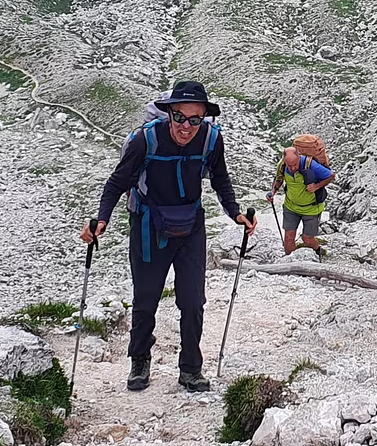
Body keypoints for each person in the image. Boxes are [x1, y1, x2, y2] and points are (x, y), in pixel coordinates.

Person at [80, 80, 256, 393]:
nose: (186, 126)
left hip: (191, 227)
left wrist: (235, 213)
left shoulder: (211, 139)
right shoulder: (145, 140)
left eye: (195, 119)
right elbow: (117, 183)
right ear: (169, 112)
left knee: (193, 301)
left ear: (204, 117)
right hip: (148, 227)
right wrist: (102, 219)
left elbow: (220, 178)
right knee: (146, 298)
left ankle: (190, 369)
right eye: (180, 117)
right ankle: (139, 360)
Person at [271, 134, 333, 255]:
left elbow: (330, 176)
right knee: (288, 238)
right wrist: (272, 192)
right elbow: (279, 179)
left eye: (295, 164)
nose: (292, 168)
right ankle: (290, 262)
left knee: (307, 239)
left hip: (311, 209)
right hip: (290, 206)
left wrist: (316, 186)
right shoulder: (282, 165)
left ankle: (318, 251)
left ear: (299, 157)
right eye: (289, 165)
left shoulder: (310, 164)